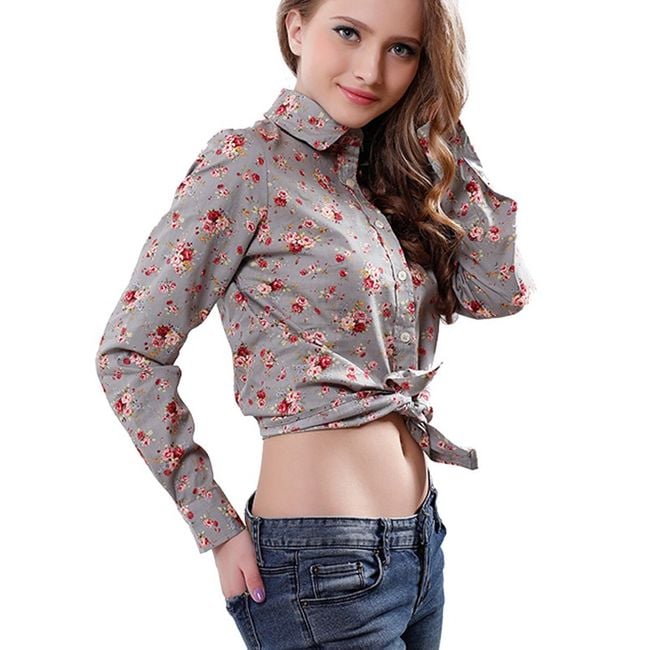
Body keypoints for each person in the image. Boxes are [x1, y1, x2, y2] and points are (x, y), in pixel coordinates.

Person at [94, 0, 536, 646]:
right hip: (320, 567)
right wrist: (214, 522)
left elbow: (498, 293)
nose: (371, 70)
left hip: (420, 545)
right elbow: (129, 354)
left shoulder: (387, 180)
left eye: (402, 49)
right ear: (297, 27)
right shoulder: (245, 164)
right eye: (348, 32)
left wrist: (442, 136)